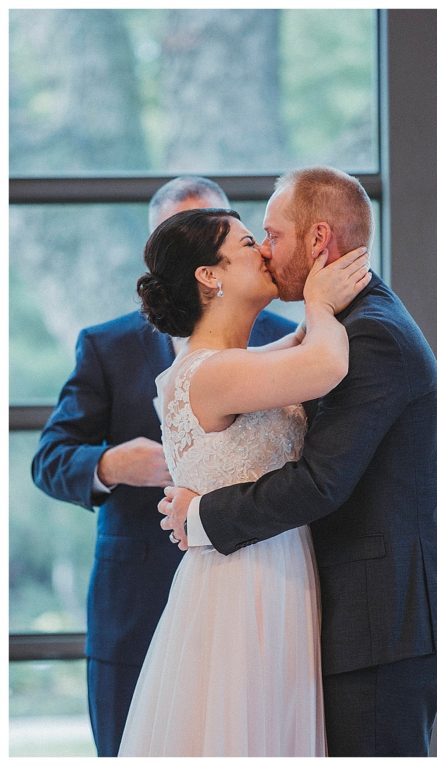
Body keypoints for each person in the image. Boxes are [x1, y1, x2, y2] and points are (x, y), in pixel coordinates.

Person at [159, 166, 437, 756]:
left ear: (319, 239)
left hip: (380, 618)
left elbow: (321, 482)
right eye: (255, 241)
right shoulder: (336, 329)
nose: (267, 252)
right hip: (309, 604)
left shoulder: (369, 333)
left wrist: (202, 515)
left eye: (270, 235)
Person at [30, 176, 295, 756]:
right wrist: (110, 464)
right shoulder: (107, 345)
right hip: (135, 599)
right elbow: (48, 458)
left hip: (254, 590)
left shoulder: (280, 336)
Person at [118, 208, 371, 755]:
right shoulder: (211, 371)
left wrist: (316, 298)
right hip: (246, 584)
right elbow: (325, 364)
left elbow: (301, 344)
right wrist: (321, 302)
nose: (263, 252)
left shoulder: (233, 362)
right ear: (210, 275)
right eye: (249, 241)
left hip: (272, 567)